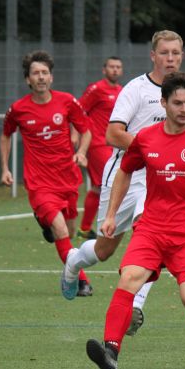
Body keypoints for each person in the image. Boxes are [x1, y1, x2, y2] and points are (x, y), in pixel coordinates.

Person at [84, 72, 185, 369]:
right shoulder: (146, 138)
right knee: (129, 278)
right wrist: (110, 215)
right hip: (152, 228)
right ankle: (110, 352)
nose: (184, 109)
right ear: (164, 103)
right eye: (178, 103)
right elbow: (125, 171)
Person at [62, 30, 185, 332]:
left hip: (159, 179)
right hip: (125, 175)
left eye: (176, 53)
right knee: (104, 251)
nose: (171, 58)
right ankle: (73, 262)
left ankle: (134, 307)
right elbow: (112, 135)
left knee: (153, 236)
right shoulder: (136, 89)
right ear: (153, 56)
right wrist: (153, 148)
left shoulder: (183, 92)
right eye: (165, 53)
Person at [0, 50, 94, 296]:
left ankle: (45, 223)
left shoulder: (67, 102)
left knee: (69, 233)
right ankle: (81, 281)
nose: (40, 77)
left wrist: (82, 152)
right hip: (39, 182)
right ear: (27, 80)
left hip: (67, 177)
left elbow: (86, 131)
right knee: (61, 231)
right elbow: (5, 136)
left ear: (51, 77)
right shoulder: (18, 109)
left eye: (44, 73)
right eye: (35, 73)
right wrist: (5, 168)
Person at [76, 56, 124, 239]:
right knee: (108, 184)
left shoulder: (121, 91)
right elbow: (79, 111)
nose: (115, 70)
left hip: (114, 144)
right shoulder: (96, 89)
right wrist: (76, 134)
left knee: (101, 186)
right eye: (111, 67)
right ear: (104, 70)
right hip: (97, 143)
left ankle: (86, 228)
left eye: (118, 67)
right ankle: (99, 224)